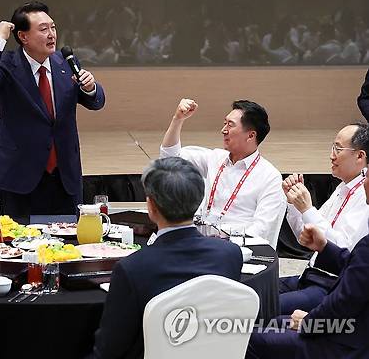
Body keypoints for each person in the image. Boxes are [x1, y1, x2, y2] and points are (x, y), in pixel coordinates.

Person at [89, 157, 243, 359]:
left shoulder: (132, 268)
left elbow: (109, 349)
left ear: (151, 207)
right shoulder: (230, 254)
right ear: (198, 202)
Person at [0, 1, 105, 216]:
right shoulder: (8, 65)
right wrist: (0, 39)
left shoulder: (66, 62)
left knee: (67, 242)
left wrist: (91, 88)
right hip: (19, 176)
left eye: (53, 27)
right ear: (23, 36)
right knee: (18, 240)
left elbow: (95, 101)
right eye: (43, 29)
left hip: (64, 177)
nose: (51, 34)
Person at [160, 99, 286, 244]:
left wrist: (223, 245)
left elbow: (261, 229)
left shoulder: (269, 177)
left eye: (230, 125)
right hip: (201, 243)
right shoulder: (215, 158)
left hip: (238, 251)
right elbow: (169, 159)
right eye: (224, 123)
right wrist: (178, 119)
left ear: (251, 135)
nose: (223, 130)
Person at [279, 124, 369, 315]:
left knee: (262, 306)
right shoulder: (342, 188)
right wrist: (294, 204)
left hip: (330, 284)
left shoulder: (365, 197)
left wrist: (307, 208)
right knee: (254, 290)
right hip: (309, 275)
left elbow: (340, 248)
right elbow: (306, 238)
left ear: (360, 156)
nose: (331, 155)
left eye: (338, 148)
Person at [246, 221, 369, 358]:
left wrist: (308, 322)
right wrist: (325, 248)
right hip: (346, 325)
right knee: (273, 321)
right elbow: (357, 268)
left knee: (248, 340)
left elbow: (345, 301)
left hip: (349, 342)